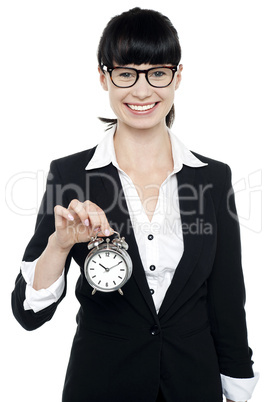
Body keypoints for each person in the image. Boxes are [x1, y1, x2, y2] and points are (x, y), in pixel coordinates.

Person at [11, 7, 258, 402]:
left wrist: (237, 384)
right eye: (126, 73)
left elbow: (227, 296)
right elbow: (28, 314)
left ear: (177, 77)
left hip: (193, 384)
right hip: (101, 383)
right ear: (103, 77)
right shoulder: (73, 175)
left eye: (157, 73)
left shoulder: (213, 177)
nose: (142, 91)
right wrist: (59, 245)